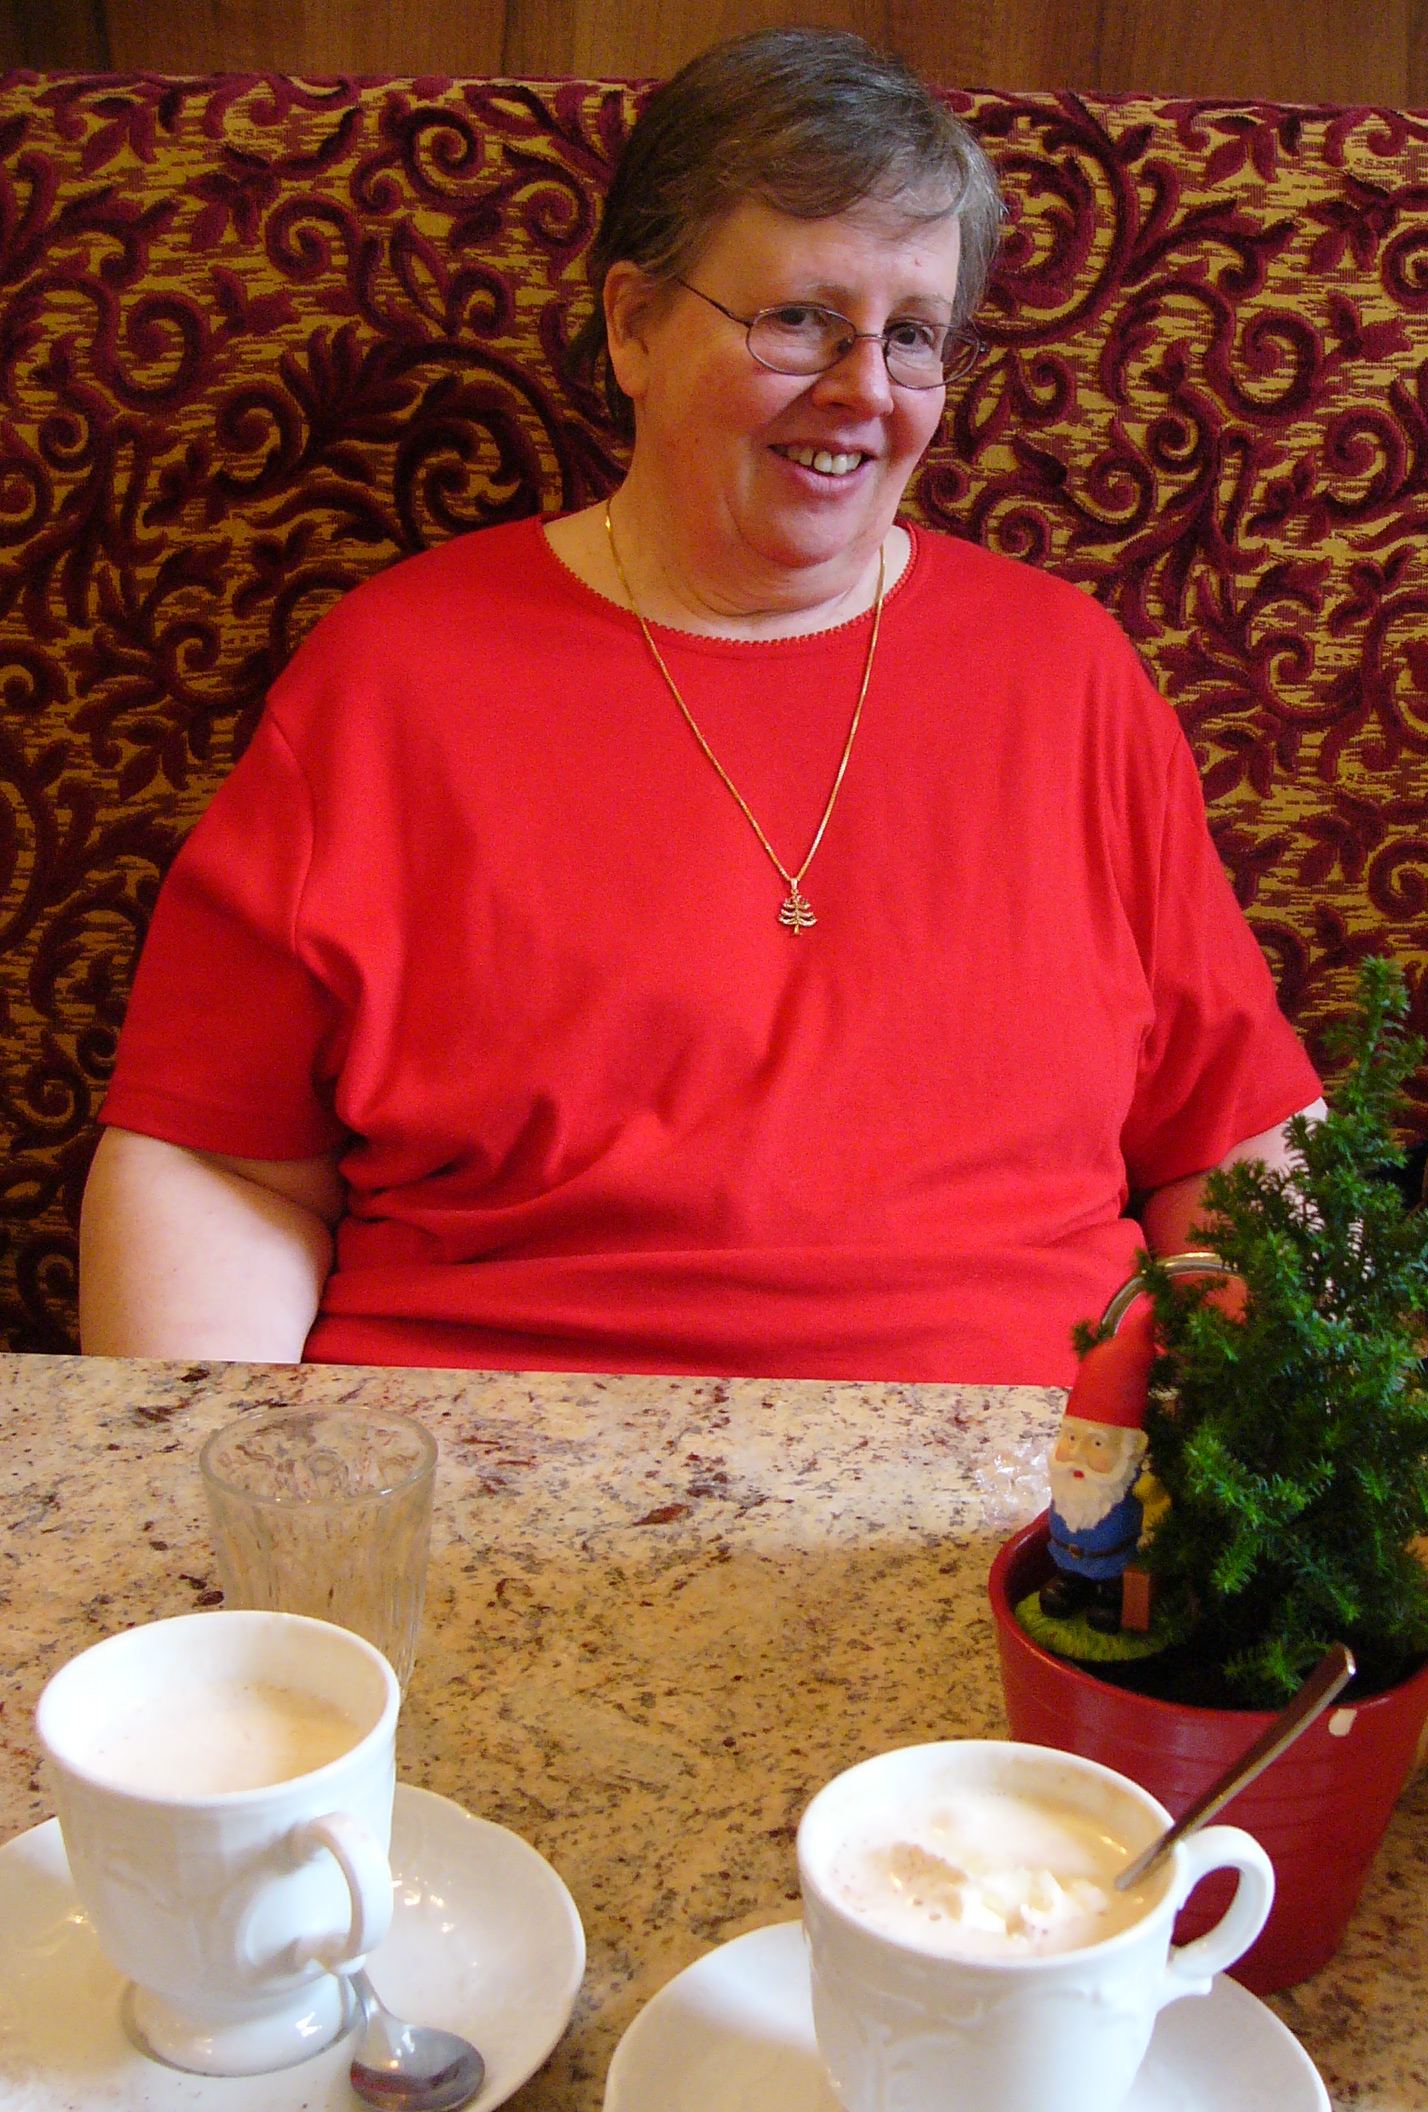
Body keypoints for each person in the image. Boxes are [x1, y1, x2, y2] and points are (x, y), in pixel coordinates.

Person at [80, 29, 1322, 1384]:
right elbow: (219, 1163)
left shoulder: (1070, 676)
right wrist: (222, 1479)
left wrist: (1288, 1457)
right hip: (504, 1452)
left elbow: (1235, 1147)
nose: (863, 390)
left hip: (1016, 1475)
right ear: (633, 325)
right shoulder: (390, 676)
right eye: (800, 320)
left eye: (912, 336)